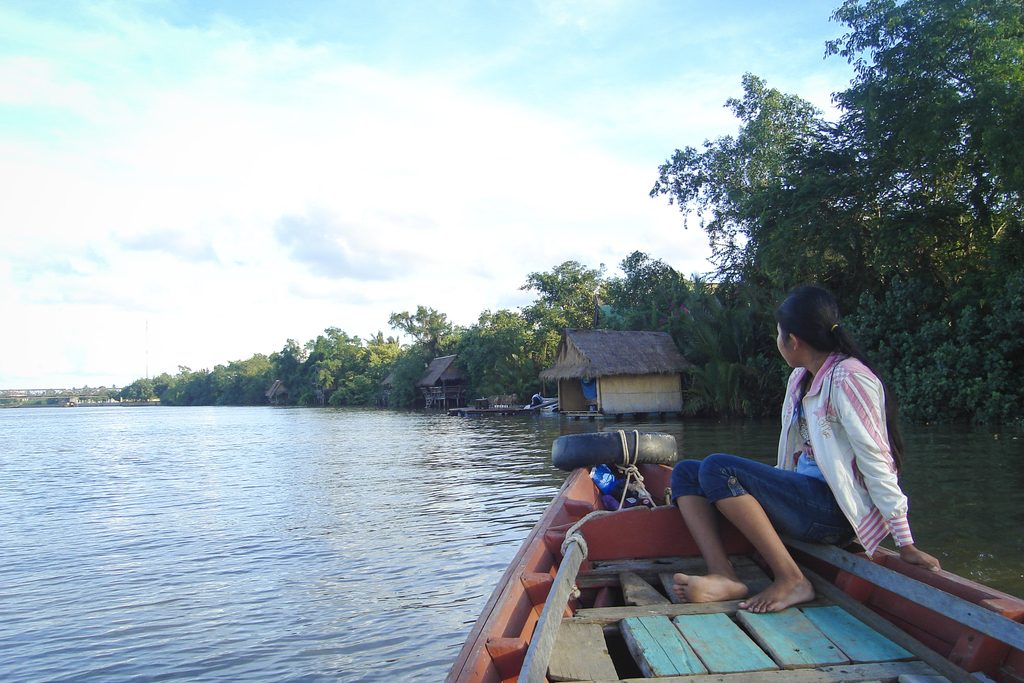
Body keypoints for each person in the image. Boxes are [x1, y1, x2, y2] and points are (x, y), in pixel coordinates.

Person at [670, 285, 940, 614]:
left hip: (834, 511)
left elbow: (877, 458)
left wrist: (904, 541)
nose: (777, 341)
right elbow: (793, 458)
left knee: (717, 467)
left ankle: (792, 579)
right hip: (806, 497)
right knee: (687, 472)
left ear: (793, 341)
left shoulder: (849, 379)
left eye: (778, 334)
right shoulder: (800, 380)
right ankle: (724, 575)